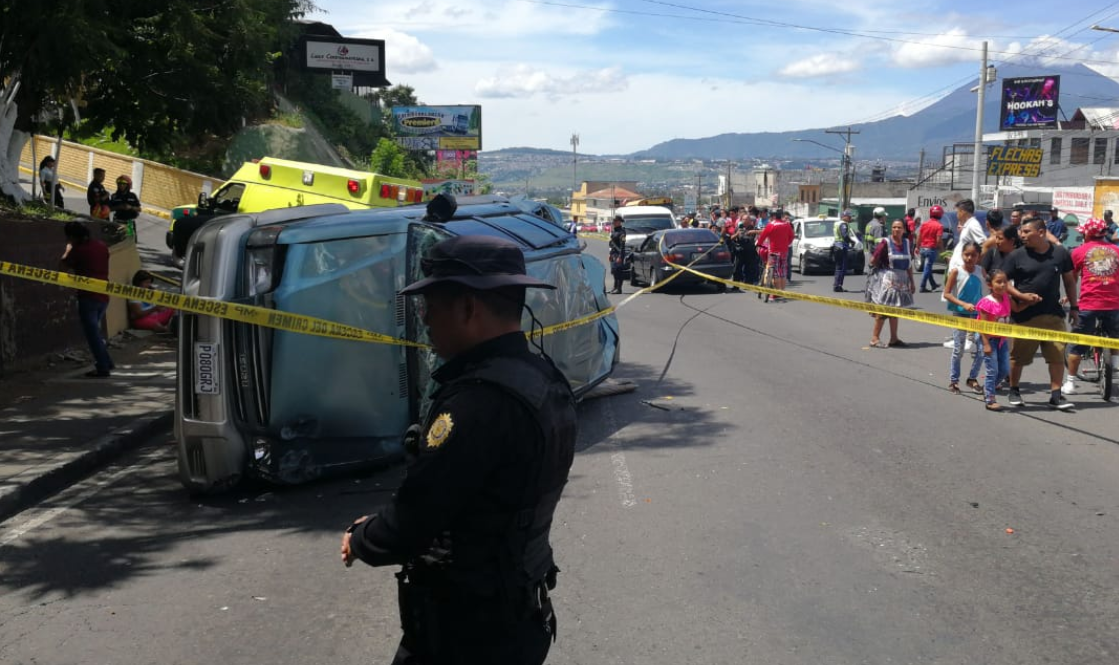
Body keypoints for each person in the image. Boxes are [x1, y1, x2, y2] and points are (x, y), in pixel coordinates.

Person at [340, 234, 577, 665]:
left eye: (431, 305)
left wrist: (361, 539)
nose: (425, 319)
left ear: (468, 308)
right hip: (520, 612)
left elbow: (415, 519)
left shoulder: (479, 401)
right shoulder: (542, 377)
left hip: (467, 634)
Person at [1003, 217, 1077, 410]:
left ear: (1042, 232)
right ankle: (1014, 390)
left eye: (1027, 232)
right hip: (1024, 317)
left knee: (1057, 357)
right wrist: (1021, 296)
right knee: (1017, 357)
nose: (1022, 235)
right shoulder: (1016, 256)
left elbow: (1069, 282)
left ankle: (1056, 396)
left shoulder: (1060, 253)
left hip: (1053, 316)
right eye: (1021, 232)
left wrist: (1074, 307)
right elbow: (1001, 282)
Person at [1063, 218, 1119, 396]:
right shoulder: (1116, 250)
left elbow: (1071, 279)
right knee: (1114, 337)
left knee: (1078, 344)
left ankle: (1071, 383)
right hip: (1114, 303)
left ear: (1086, 234)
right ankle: (1115, 365)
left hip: (1089, 304)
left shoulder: (1079, 251)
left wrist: (1069, 298)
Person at [59, 222, 114, 377]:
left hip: (88, 297)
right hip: (103, 295)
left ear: (72, 237)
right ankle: (106, 361)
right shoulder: (101, 246)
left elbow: (62, 268)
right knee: (95, 332)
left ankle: (103, 367)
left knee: (92, 335)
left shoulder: (78, 251)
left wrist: (68, 250)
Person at [942, 242, 985, 395]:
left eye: (973, 255)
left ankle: (972, 378)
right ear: (962, 255)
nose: (969, 258)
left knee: (981, 349)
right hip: (960, 314)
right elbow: (947, 293)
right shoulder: (956, 271)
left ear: (978, 256)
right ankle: (954, 381)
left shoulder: (981, 271)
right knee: (958, 349)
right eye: (967, 254)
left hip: (977, 315)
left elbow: (985, 291)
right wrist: (963, 304)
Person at [866, 219, 915, 348]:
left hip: (902, 280)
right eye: (894, 227)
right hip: (888, 279)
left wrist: (912, 282)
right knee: (883, 309)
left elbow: (909, 265)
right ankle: (875, 338)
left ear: (904, 230)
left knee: (895, 309)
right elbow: (873, 260)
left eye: (899, 227)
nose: (896, 230)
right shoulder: (885, 242)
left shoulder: (907, 243)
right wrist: (883, 271)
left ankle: (894, 338)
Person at [976, 269, 1016, 411]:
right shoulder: (986, 303)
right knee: (992, 370)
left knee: (1004, 369)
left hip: (1001, 340)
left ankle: (988, 389)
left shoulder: (1006, 298)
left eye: (1005, 281)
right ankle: (990, 399)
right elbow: (982, 326)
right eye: (998, 282)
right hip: (989, 340)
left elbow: (1017, 309)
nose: (1003, 285)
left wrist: (1030, 300)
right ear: (990, 285)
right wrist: (986, 344)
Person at [755, 208, 794, 302]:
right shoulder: (787, 225)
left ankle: (777, 293)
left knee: (775, 272)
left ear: (773, 216)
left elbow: (762, 237)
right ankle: (782, 292)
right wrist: (786, 243)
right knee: (783, 271)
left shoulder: (771, 225)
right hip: (784, 251)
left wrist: (758, 245)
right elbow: (791, 237)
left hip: (773, 251)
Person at [949, 199, 987, 270]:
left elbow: (984, 244)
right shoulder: (967, 224)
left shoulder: (973, 224)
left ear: (962, 212)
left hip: (963, 270)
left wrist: (973, 263)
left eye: (957, 212)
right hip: (957, 269)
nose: (957, 215)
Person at [917, 205, 945, 292]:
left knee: (927, 267)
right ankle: (922, 286)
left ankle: (933, 284)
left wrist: (917, 247)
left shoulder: (924, 224)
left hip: (923, 249)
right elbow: (939, 240)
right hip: (931, 249)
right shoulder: (939, 226)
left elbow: (919, 237)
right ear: (940, 214)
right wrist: (942, 251)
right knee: (928, 268)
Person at [832, 210, 857, 292]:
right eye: (848, 216)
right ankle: (838, 285)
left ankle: (836, 285)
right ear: (844, 217)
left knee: (838, 266)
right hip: (842, 247)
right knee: (842, 267)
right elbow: (845, 236)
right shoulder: (843, 224)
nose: (850, 218)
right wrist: (851, 241)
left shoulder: (837, 223)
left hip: (837, 246)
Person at [730, 220, 758, 289]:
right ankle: (736, 286)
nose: (746, 222)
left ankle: (748, 285)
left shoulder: (753, 228)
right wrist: (737, 233)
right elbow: (731, 238)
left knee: (749, 269)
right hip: (740, 251)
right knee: (737, 269)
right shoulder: (738, 228)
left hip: (750, 251)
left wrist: (754, 232)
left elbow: (757, 237)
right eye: (745, 220)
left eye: (748, 220)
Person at [607, 215, 626, 294]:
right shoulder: (614, 231)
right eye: (613, 221)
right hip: (613, 254)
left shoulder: (622, 232)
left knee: (619, 271)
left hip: (618, 254)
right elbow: (611, 243)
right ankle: (614, 287)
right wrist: (610, 254)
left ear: (619, 222)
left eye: (615, 221)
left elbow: (622, 246)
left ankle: (619, 288)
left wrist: (620, 257)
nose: (613, 223)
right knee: (614, 271)